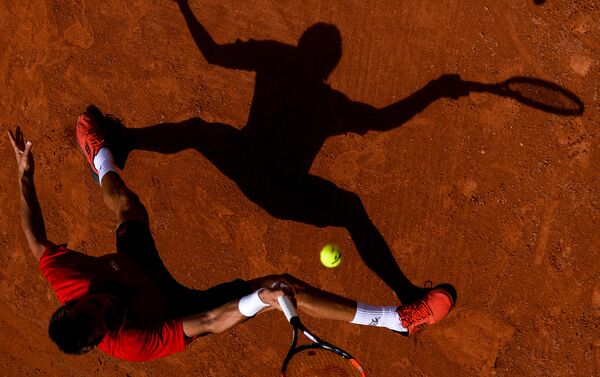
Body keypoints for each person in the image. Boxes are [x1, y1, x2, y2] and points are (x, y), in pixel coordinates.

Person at [7, 108, 454, 362]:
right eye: (104, 316)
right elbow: (207, 322)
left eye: (93, 303)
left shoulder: (70, 281)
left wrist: (25, 177)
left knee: (127, 204)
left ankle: (101, 154)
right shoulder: (135, 341)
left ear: (74, 301)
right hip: (176, 307)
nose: (103, 304)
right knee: (281, 287)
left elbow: (35, 240)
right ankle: (396, 320)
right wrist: (258, 301)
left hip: (135, 268)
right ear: (102, 335)